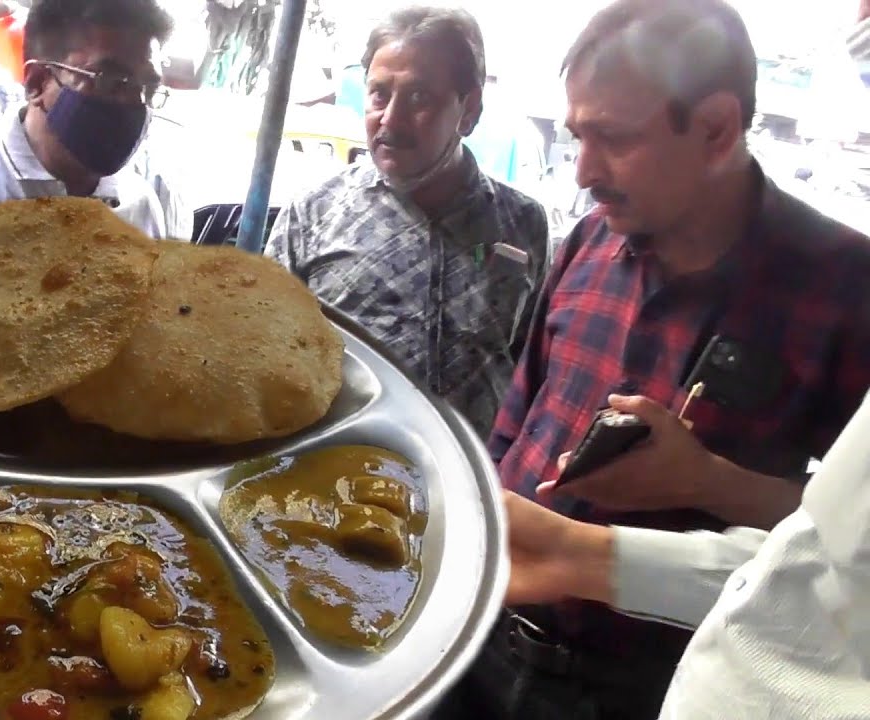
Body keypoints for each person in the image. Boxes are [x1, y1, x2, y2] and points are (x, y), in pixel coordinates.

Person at [439, 1, 870, 717]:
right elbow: (514, 427)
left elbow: (847, 552)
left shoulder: (845, 291)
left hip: (649, 688)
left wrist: (710, 482)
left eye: (611, 137)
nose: (581, 172)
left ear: (715, 129)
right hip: (483, 641)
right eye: (577, 135)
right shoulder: (584, 243)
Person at [265, 6, 549, 438]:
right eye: (379, 94)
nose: (390, 119)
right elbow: (269, 361)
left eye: (419, 98)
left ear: (468, 110)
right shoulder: (312, 215)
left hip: (471, 487)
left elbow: (529, 365)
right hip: (334, 479)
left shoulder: (524, 224)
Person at [502, 389, 870, 719]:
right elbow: (822, 555)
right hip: (501, 640)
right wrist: (576, 554)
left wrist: (705, 481)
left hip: (634, 679)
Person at [0, 0, 178, 239]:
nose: (135, 102)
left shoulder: (141, 203)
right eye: (111, 80)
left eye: (148, 88)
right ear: (37, 82)